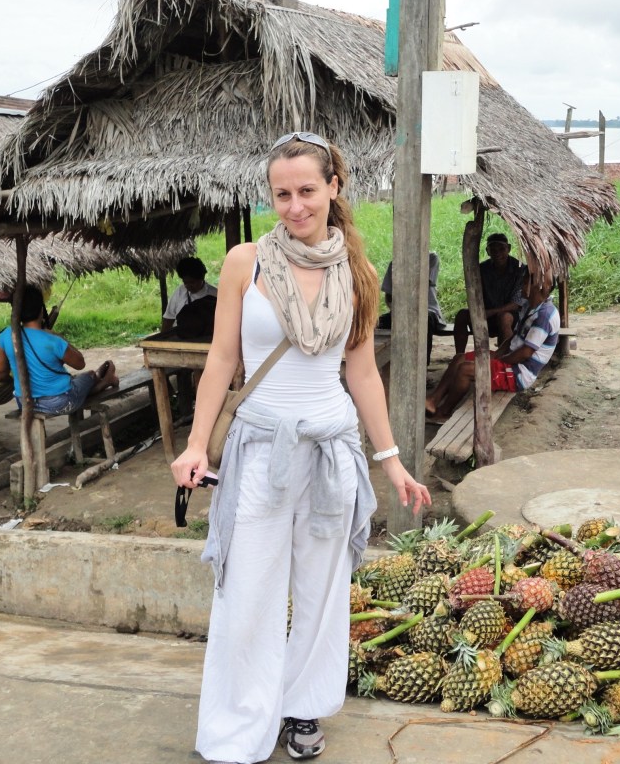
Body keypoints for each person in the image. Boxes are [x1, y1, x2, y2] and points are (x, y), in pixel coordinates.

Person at [171, 131, 430, 764]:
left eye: (306, 191)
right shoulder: (246, 263)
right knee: (248, 589)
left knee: (321, 589)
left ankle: (302, 707)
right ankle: (239, 729)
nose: (294, 206)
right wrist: (196, 444)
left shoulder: (357, 272)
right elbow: (222, 362)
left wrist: (390, 460)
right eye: (281, 194)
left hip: (332, 452)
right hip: (261, 449)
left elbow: (363, 375)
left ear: (333, 188)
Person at [427, 274, 560, 422]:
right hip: (512, 360)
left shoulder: (544, 316)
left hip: (519, 373)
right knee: (459, 359)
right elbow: (513, 338)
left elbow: (525, 353)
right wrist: (497, 355)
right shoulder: (531, 307)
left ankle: (444, 412)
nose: (522, 286)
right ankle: (433, 400)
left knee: (465, 370)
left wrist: (501, 360)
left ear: (541, 287)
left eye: (526, 282)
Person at [0, 286, 119, 416]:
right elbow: (80, 363)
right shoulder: (52, 340)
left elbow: (1, 373)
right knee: (89, 376)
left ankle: (101, 379)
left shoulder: (6, 335)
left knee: (76, 381)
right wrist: (58, 336)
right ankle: (104, 381)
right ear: (41, 310)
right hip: (60, 402)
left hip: (24, 402)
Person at [452, 232, 528, 355]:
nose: (497, 253)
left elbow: (516, 303)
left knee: (505, 317)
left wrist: (490, 312)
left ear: (508, 248)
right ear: (487, 251)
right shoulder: (481, 269)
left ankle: (505, 357)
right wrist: (480, 312)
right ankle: (459, 355)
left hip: (512, 319)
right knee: (462, 315)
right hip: (487, 315)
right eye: (493, 250)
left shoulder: (520, 269)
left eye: (501, 249)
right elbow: (473, 295)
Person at [377, 251, 448, 364]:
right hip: (400, 310)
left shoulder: (431, 258)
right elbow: (389, 296)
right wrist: (395, 311)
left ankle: (423, 365)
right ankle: (386, 363)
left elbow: (424, 283)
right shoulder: (394, 264)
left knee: (424, 320)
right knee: (379, 323)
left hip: (427, 309)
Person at [161, 257, 219, 334]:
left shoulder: (215, 294)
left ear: (202, 278)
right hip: (181, 338)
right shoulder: (180, 292)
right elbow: (168, 318)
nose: (188, 286)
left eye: (192, 282)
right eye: (185, 282)